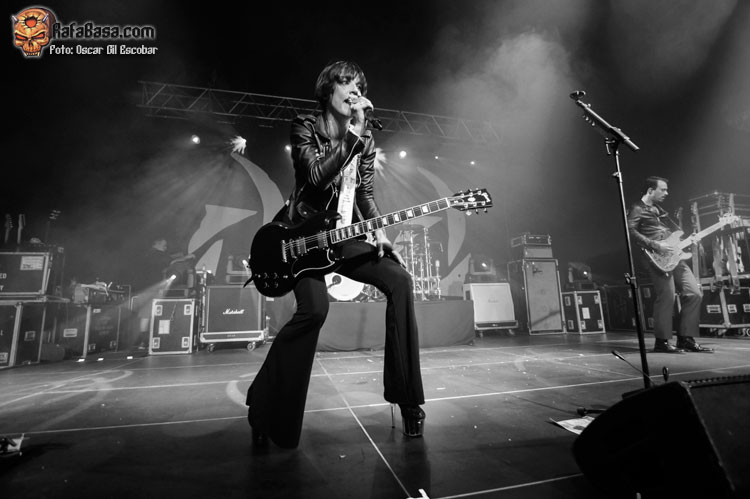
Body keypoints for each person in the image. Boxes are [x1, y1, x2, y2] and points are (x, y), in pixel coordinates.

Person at [245, 60, 426, 449]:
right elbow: (313, 178)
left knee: (399, 280)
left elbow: (365, 194)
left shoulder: (366, 140)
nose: (355, 91)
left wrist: (379, 232)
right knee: (314, 311)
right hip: (303, 240)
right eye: (347, 83)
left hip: (342, 236)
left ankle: (408, 400)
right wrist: (354, 135)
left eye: (360, 85)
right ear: (328, 90)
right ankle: (263, 407)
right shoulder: (305, 126)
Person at [627, 176, 713, 353]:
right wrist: (655, 244)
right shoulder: (637, 208)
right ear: (650, 190)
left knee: (694, 293)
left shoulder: (660, 210)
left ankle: (686, 339)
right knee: (667, 296)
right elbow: (630, 230)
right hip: (656, 258)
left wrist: (688, 239)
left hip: (675, 255)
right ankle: (662, 342)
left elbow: (673, 233)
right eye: (663, 189)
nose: (667, 193)